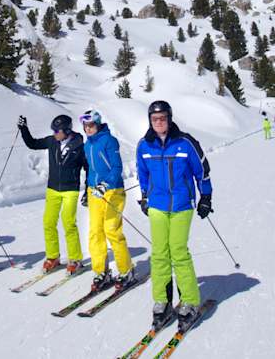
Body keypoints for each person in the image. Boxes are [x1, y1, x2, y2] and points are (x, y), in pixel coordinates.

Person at [136, 100, 213, 330]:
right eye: (154, 119)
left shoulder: (185, 142)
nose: (158, 122)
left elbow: (202, 171)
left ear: (169, 118)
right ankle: (162, 300)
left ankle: (189, 300)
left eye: (162, 118)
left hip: (181, 205)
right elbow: (142, 174)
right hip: (158, 205)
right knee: (159, 253)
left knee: (178, 251)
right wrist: (145, 197)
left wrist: (206, 197)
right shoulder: (144, 145)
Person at [18, 114, 86, 275]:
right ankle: (53, 257)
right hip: (53, 188)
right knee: (48, 222)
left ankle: (75, 259)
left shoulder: (79, 145)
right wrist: (23, 129)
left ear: (67, 130)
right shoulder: (52, 141)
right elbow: (32, 144)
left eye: (58, 130)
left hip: (70, 189)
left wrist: (89, 189)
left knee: (68, 222)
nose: (55, 133)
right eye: (53, 130)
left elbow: (87, 167)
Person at [79, 109, 134, 292]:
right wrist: (88, 189)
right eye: (85, 126)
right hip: (95, 191)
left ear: (98, 124)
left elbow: (117, 167)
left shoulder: (109, 140)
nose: (88, 128)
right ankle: (101, 271)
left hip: (113, 190)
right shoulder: (88, 145)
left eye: (91, 125)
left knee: (111, 230)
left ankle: (126, 270)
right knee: (95, 232)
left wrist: (106, 184)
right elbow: (91, 170)